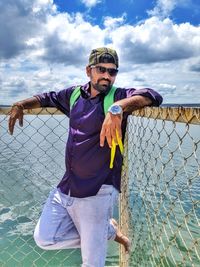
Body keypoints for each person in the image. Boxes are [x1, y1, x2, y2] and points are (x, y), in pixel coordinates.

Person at [8, 47, 163, 267]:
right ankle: (106, 230)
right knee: (45, 238)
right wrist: (21, 104)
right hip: (66, 187)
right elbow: (47, 98)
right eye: (101, 69)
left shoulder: (116, 96)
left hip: (97, 190)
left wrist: (118, 108)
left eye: (113, 71)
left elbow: (153, 95)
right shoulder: (73, 95)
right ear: (88, 70)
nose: (107, 76)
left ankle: (100, 231)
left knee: (92, 263)